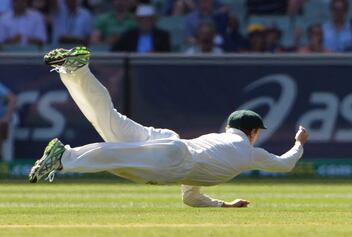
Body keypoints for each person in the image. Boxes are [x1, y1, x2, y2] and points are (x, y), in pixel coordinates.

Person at [29, 46, 308, 208]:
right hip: (174, 157)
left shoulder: (214, 141)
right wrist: (299, 143)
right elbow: (284, 165)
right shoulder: (248, 152)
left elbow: (190, 198)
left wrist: (225, 205)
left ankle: (76, 69)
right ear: (254, 133)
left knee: (107, 119)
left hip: (171, 143)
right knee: (116, 154)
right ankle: (64, 157)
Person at [0, 82, 17, 162]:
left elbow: (12, 98)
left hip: (3, 121)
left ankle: (8, 169)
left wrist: (6, 117)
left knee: (6, 149)